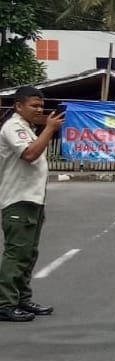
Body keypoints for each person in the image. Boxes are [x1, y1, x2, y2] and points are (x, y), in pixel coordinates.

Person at [0, 87, 64, 323]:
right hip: (17, 201)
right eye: (33, 106)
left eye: (41, 106)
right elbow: (30, 154)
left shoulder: (26, 129)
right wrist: (49, 129)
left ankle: (22, 298)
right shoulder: (13, 127)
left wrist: (44, 129)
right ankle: (5, 303)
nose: (39, 110)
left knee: (28, 253)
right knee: (17, 253)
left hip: (32, 201)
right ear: (18, 106)